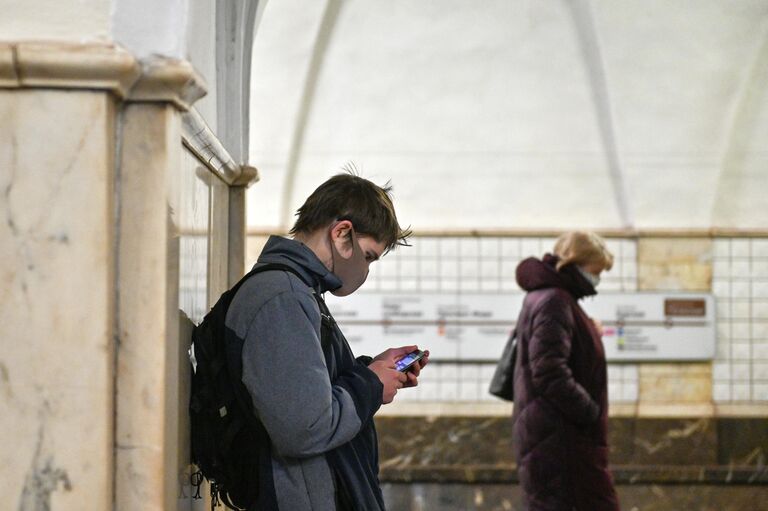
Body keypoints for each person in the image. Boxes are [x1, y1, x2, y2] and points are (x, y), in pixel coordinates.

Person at [225, 172, 428, 510]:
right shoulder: (283, 298)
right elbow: (304, 427)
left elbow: (304, 391)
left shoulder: (298, 291)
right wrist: (371, 385)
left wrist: (372, 370)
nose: (365, 269)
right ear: (341, 233)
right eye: (368, 256)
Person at [511, 231, 620, 511]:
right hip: (564, 443)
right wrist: (590, 413)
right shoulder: (555, 301)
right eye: (595, 271)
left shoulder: (547, 297)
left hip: (552, 439)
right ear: (576, 263)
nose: (597, 280)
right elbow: (549, 371)